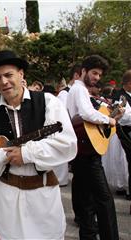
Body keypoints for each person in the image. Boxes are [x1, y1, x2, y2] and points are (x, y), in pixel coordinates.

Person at [0, 50, 77, 239]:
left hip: (43, 196)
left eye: (8, 75)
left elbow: (67, 144)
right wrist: (6, 155)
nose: (4, 81)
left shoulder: (48, 102)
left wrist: (27, 153)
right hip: (7, 197)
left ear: (21, 74)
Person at [67, 55, 125, 240]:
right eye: (94, 73)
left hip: (85, 150)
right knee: (105, 199)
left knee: (86, 200)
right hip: (87, 153)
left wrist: (112, 117)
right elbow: (85, 113)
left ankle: (89, 235)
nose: (97, 77)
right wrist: (109, 120)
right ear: (83, 71)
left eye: (99, 75)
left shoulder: (82, 91)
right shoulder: (79, 89)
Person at [112, 69, 131, 200]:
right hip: (124, 133)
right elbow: (123, 116)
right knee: (123, 162)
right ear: (129, 83)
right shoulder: (120, 95)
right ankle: (124, 187)